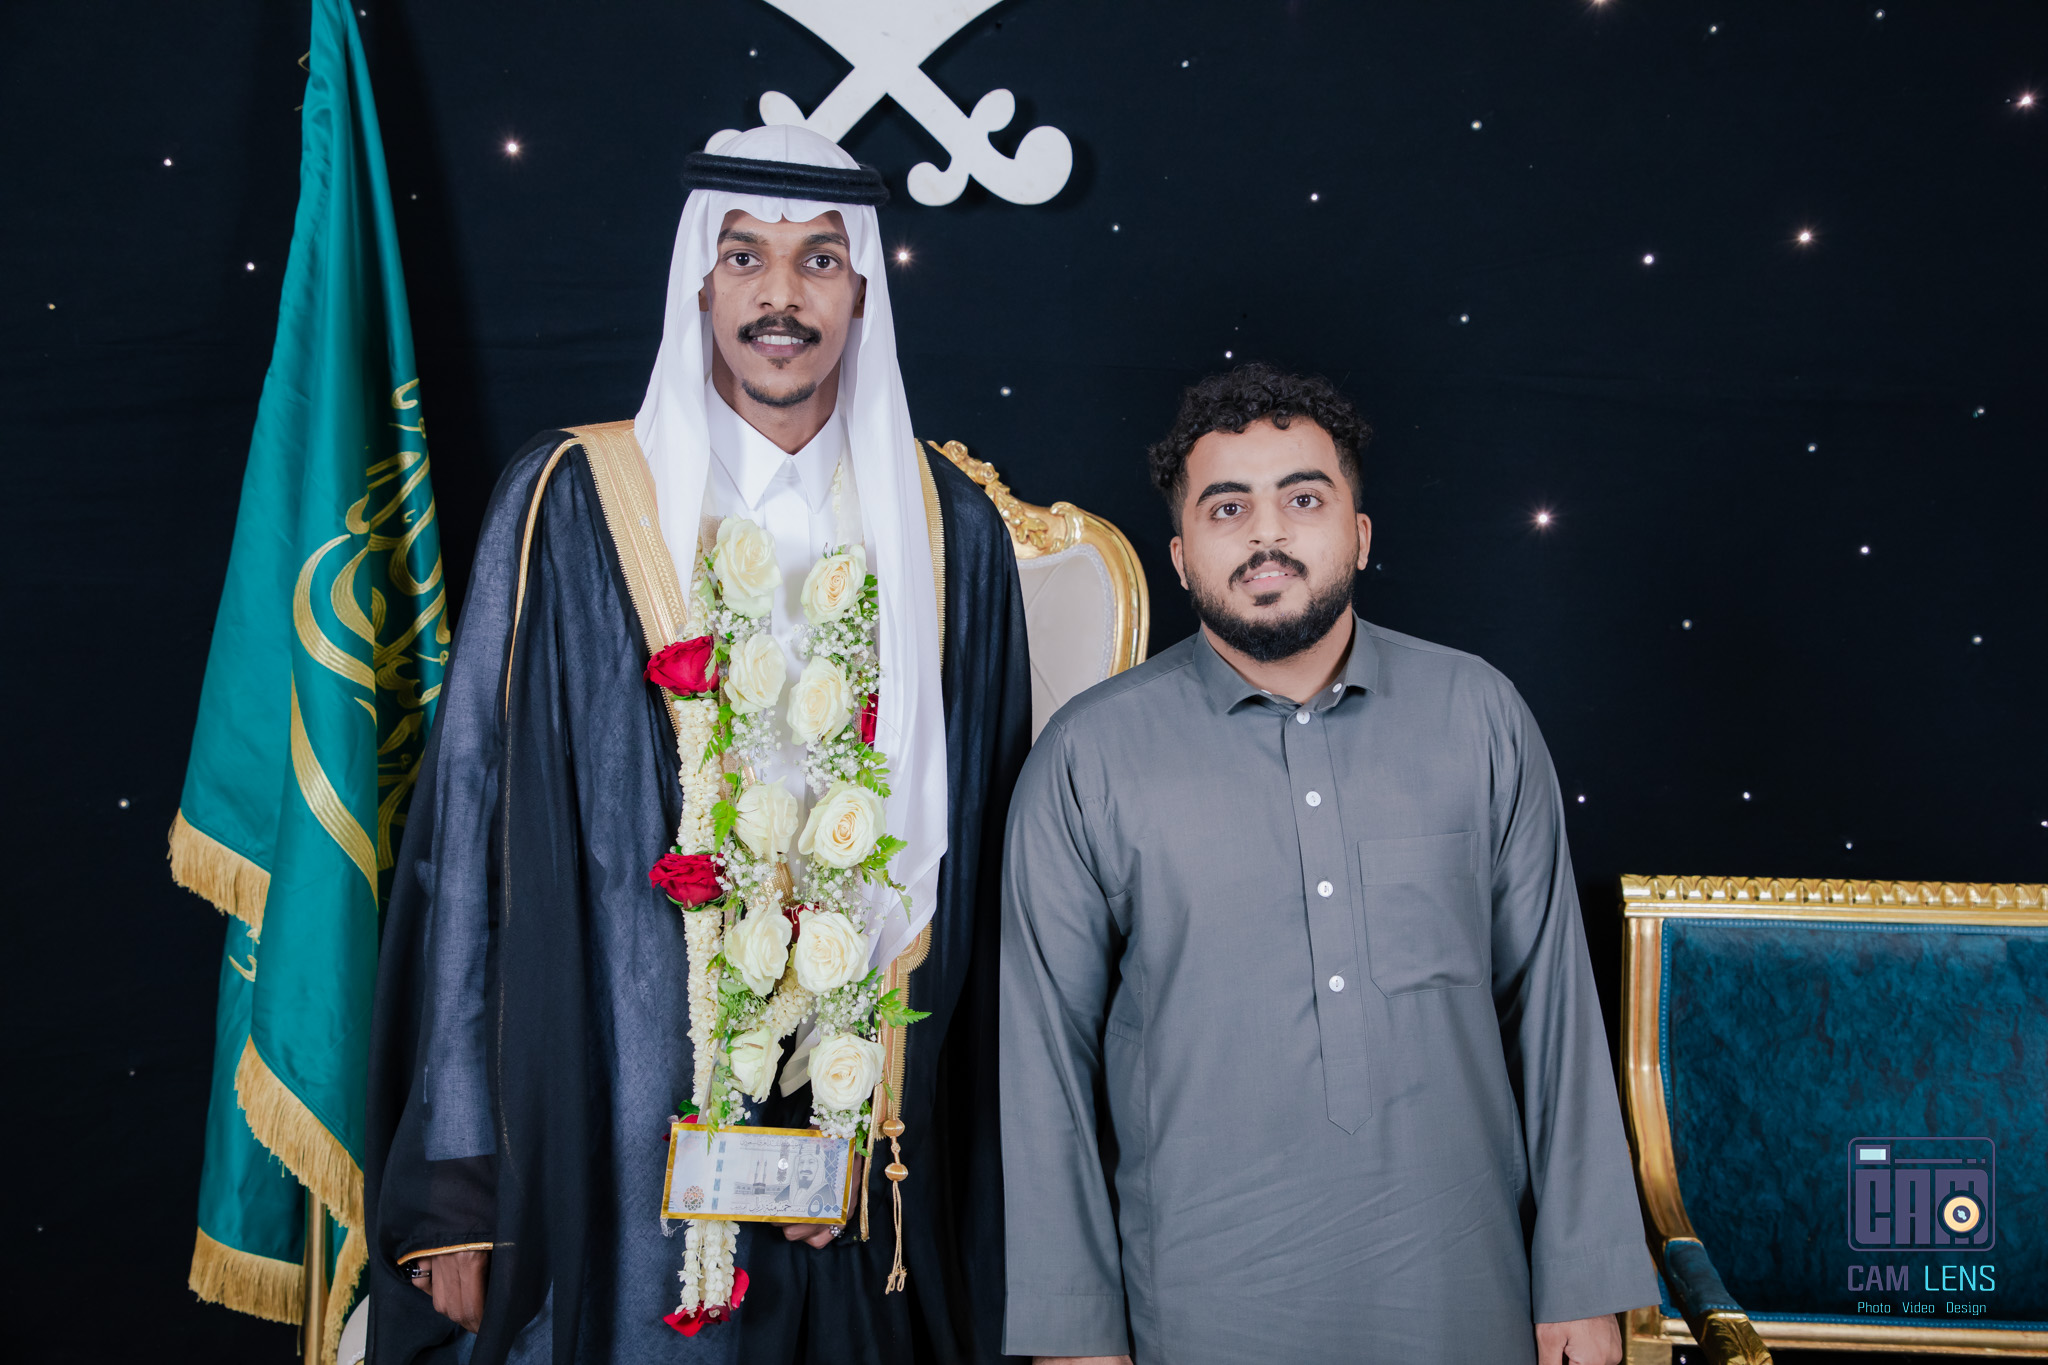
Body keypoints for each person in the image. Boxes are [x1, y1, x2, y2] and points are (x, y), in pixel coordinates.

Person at [365, 125, 1030, 1365]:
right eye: (744, 257)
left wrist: (915, 1131)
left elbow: (992, 890)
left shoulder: (950, 535)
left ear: (861, 291)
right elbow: (470, 839)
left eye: (818, 259)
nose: (781, 295)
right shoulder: (573, 502)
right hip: (613, 1103)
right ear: (701, 284)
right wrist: (458, 1183)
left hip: (865, 1135)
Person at [998, 363, 1657, 1365]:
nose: (1265, 535)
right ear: (1181, 557)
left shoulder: (1477, 715)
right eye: (1227, 508)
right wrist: (1072, 1334)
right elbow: (1043, 1065)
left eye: (1302, 499)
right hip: (1196, 1311)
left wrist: (1584, 1279)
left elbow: (1554, 1014)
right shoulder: (1086, 758)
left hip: (1466, 1296)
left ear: (1359, 532)